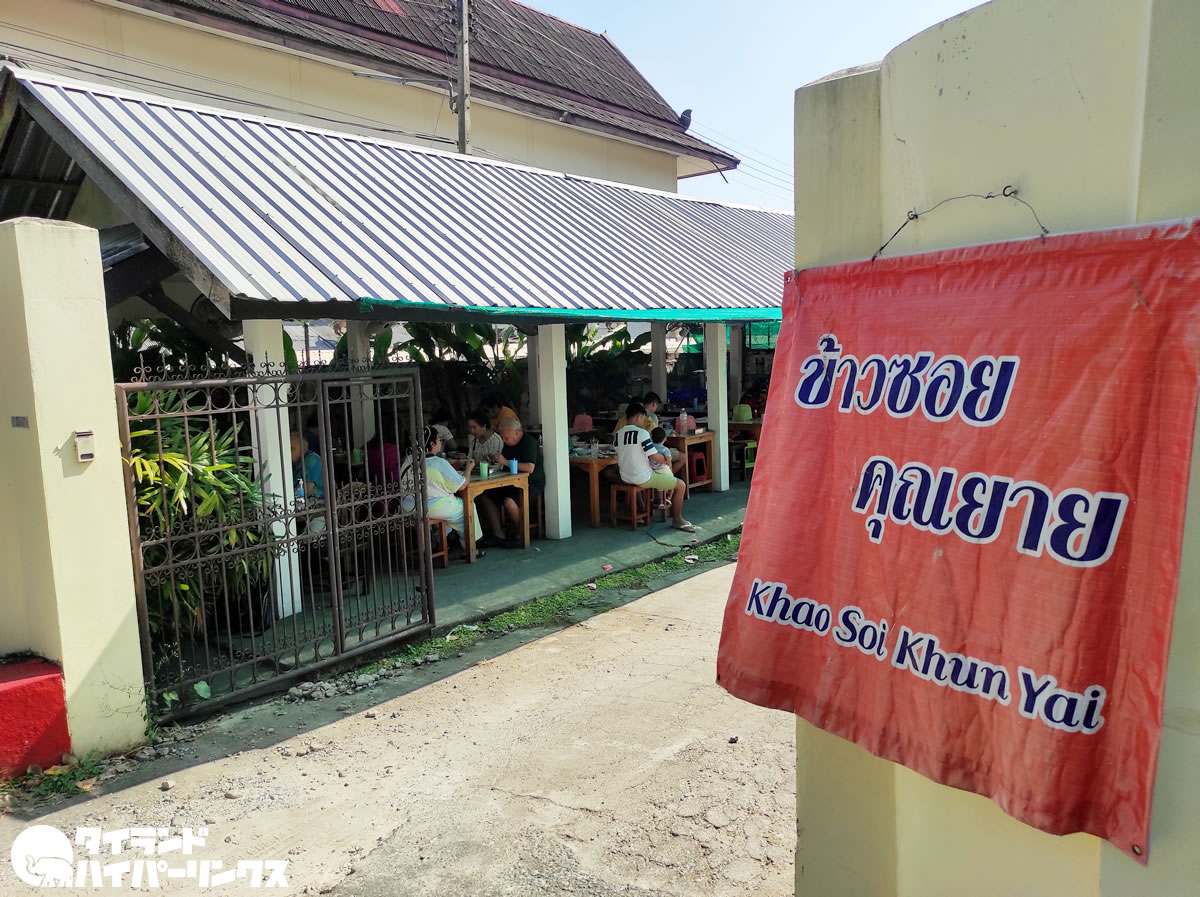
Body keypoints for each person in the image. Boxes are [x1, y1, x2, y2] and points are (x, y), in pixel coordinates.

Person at [615, 402, 695, 532]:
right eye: (643, 418)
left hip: (625, 476)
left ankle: (642, 508)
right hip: (642, 478)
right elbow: (654, 456)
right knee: (680, 485)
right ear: (637, 417)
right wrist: (667, 459)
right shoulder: (642, 433)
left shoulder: (618, 434)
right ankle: (677, 519)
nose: (644, 422)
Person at [408, 425, 483, 560]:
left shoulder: (407, 461)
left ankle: (439, 540)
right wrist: (469, 469)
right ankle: (470, 549)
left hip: (408, 506)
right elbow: (462, 485)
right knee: (466, 507)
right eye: (439, 439)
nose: (441, 442)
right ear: (432, 443)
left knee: (446, 506)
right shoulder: (438, 462)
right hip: (430, 507)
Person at [479, 417, 544, 548]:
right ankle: (498, 534)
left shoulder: (529, 442)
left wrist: (505, 461)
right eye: (502, 437)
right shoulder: (508, 445)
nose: (504, 440)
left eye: (506, 437)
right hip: (511, 481)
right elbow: (505, 462)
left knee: (509, 501)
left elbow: (529, 468)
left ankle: (520, 534)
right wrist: (494, 460)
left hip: (531, 482)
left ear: (517, 433)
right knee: (485, 495)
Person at [290, 431, 324, 499]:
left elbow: (307, 490)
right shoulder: (294, 463)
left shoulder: (313, 460)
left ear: (304, 449)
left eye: (291, 449)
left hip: (317, 505)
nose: (287, 452)